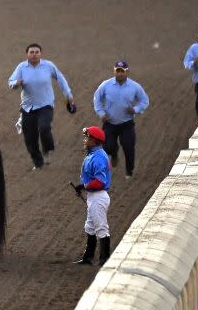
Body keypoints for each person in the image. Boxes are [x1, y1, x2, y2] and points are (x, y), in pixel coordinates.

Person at [8, 44, 75, 170]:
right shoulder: (22, 67)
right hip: (28, 107)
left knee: (44, 128)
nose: (34, 54)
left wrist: (68, 95)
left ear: (41, 54)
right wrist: (16, 83)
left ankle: (47, 150)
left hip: (45, 105)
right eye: (31, 52)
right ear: (27, 54)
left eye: (37, 52)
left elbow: (60, 79)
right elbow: (11, 82)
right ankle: (38, 163)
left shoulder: (48, 66)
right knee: (30, 137)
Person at [92, 61, 150, 180]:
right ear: (114, 71)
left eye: (122, 71)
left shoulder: (135, 86)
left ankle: (129, 171)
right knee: (107, 147)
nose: (120, 74)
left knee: (129, 148)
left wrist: (136, 109)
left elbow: (145, 101)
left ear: (127, 72)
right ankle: (114, 153)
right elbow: (97, 99)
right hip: (110, 124)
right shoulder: (105, 85)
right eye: (117, 71)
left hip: (127, 124)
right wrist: (101, 113)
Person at [72, 126, 112, 266]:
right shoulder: (93, 155)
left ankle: (104, 259)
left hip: (98, 197)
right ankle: (88, 257)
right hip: (93, 196)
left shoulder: (99, 157)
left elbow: (100, 181)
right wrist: (83, 186)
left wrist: (84, 186)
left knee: (101, 228)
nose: (85, 140)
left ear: (95, 141)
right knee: (90, 226)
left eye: (88, 137)